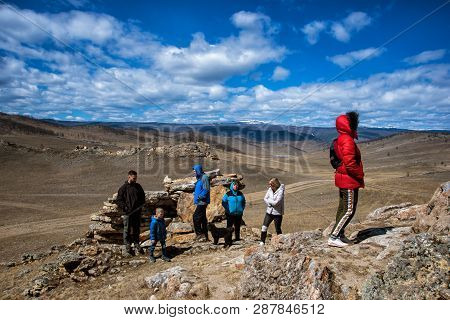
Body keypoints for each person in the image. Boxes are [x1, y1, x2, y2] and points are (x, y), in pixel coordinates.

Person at [328, 111, 365, 248]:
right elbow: (350, 163)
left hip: (343, 178)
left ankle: (340, 235)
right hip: (349, 180)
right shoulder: (347, 140)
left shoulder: (341, 138)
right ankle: (334, 237)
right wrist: (359, 175)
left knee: (342, 208)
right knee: (349, 210)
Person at [116, 170, 146, 257]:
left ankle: (136, 243)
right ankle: (127, 245)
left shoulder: (138, 186)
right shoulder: (123, 188)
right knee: (127, 229)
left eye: (136, 178)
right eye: (134, 178)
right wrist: (125, 207)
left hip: (137, 212)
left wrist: (140, 206)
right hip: (127, 213)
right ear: (129, 177)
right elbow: (118, 200)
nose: (135, 179)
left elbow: (142, 197)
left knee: (136, 228)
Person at [260, 178, 285, 245]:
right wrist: (270, 203)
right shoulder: (270, 190)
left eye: (271, 184)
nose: (269, 186)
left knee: (278, 229)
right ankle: (262, 242)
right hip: (269, 212)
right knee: (264, 227)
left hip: (277, 213)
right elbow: (265, 198)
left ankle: (282, 242)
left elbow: (276, 202)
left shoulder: (280, 191)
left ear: (275, 184)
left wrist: (269, 201)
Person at [192, 164, 210, 241]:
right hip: (200, 202)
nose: (194, 172)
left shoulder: (204, 177)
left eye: (195, 171)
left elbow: (206, 189)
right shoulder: (200, 178)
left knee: (195, 217)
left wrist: (200, 196)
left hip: (202, 201)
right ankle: (205, 235)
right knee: (202, 219)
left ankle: (199, 234)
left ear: (198, 170)